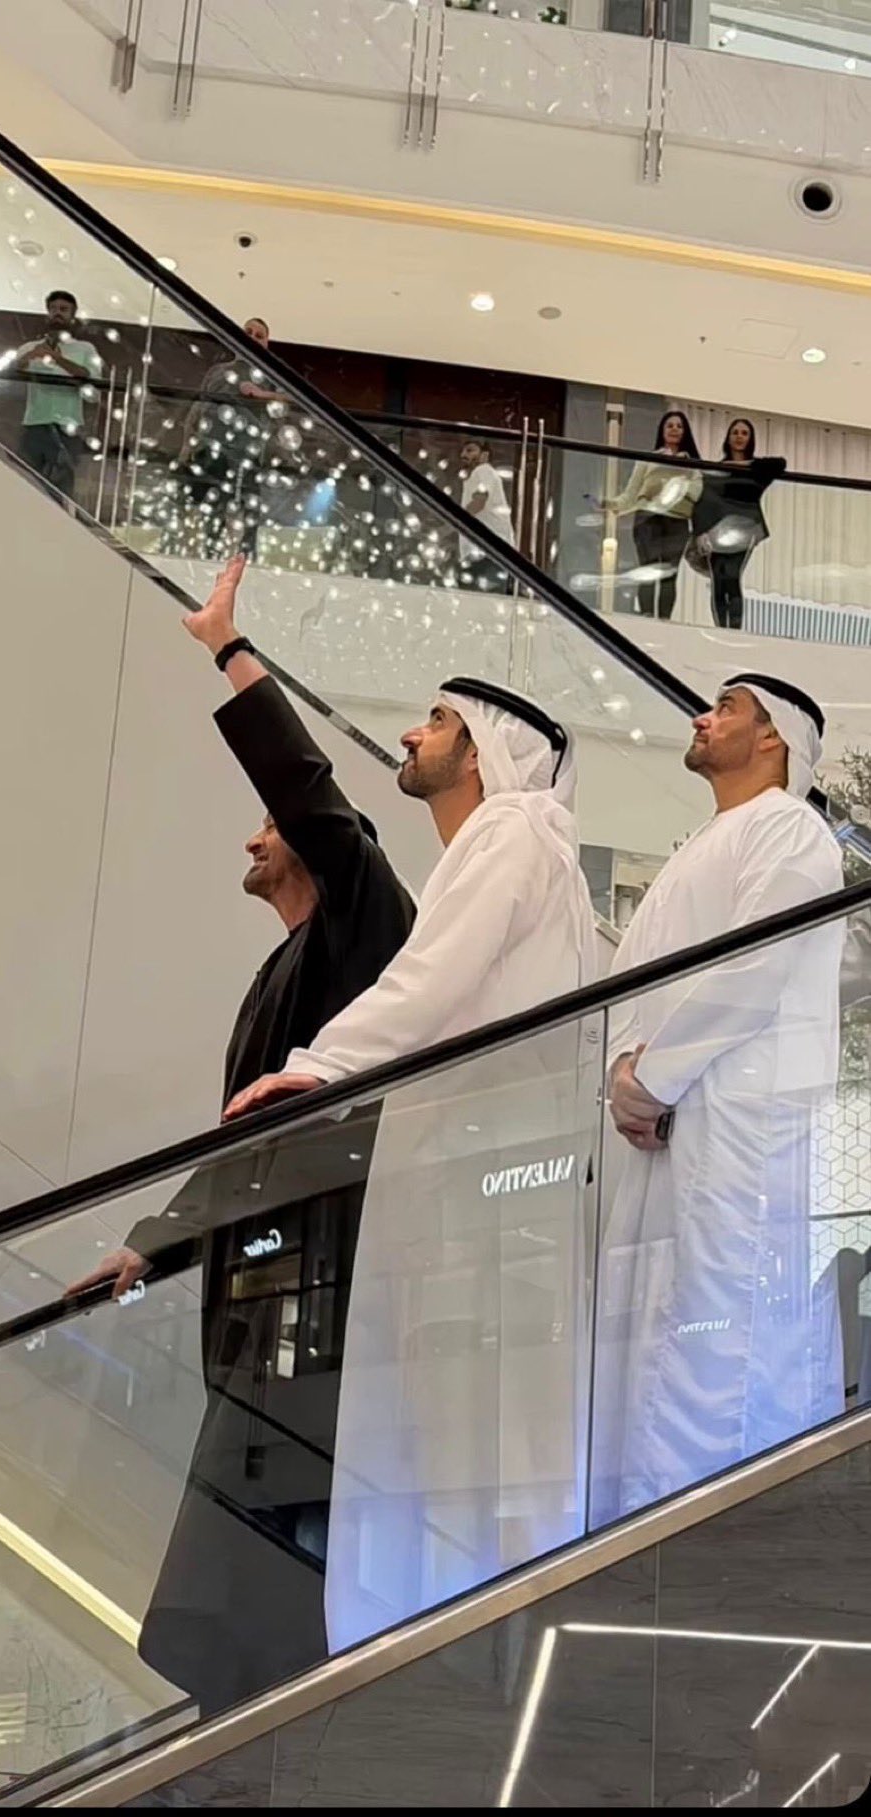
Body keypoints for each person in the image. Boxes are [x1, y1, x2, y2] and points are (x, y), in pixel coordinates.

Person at [66, 555, 414, 1716]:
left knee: (270, 1566)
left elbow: (314, 796)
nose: (251, 842)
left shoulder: (367, 926)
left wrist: (230, 652)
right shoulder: (280, 970)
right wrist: (150, 1243)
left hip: (323, 1309)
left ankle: (260, 1738)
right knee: (227, 1563)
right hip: (258, 1308)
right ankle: (230, 1735)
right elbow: (234, 1153)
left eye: (270, 826)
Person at [224, 678, 599, 1650]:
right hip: (468, 1204)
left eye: (437, 721)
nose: (411, 732)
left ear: (481, 751)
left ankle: (462, 1663)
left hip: (480, 1210)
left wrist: (321, 1064)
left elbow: (427, 983)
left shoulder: (514, 833)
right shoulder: (497, 854)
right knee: (453, 1456)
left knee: (463, 1456)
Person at [591, 672, 845, 1528]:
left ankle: (726, 1549)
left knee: (733, 1344)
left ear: (774, 738)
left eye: (726, 707)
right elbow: (629, 978)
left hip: (743, 1130)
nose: (703, 718)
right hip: (665, 1130)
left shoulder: (790, 830)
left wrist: (650, 1079)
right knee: (653, 1342)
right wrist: (624, 1072)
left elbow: (753, 970)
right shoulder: (697, 846)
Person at [181, 317, 286, 559]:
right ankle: (210, 553)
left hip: (247, 452)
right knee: (213, 504)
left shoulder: (271, 373)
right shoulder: (218, 371)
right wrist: (187, 444)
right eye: (247, 332)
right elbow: (198, 406)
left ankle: (246, 558)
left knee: (248, 505)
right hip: (211, 449)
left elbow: (292, 398)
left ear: (266, 343)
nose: (252, 338)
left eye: (259, 335)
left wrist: (261, 394)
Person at [688, 418, 786, 630]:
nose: (739, 436)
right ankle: (721, 627)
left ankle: (734, 629)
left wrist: (743, 464)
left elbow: (780, 463)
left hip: (745, 527)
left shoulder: (758, 469)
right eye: (735, 432)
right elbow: (703, 502)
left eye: (744, 433)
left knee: (732, 576)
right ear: (728, 438)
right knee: (718, 578)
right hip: (716, 528)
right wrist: (700, 532)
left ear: (750, 439)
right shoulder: (716, 470)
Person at [604, 410, 703, 619]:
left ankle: (665, 620)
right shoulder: (647, 459)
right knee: (647, 570)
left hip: (678, 520)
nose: (674, 429)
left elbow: (696, 493)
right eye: (670, 425)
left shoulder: (693, 464)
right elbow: (631, 495)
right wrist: (609, 504)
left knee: (669, 573)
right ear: (662, 431)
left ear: (685, 432)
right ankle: (647, 616)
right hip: (648, 518)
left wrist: (673, 475)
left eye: (679, 426)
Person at [15, 290, 101, 502]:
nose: (57, 313)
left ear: (73, 316)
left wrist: (57, 358)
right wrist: (30, 356)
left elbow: (93, 388)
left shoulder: (85, 349)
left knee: (61, 488)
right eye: (53, 309)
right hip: (34, 423)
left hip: (68, 427)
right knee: (24, 482)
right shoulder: (28, 348)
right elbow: (11, 372)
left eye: (63, 309)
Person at [458, 440, 514, 591]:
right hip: (487, 552)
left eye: (470, 450)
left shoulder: (483, 470)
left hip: (487, 552)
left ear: (485, 455)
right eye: (463, 451)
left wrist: (456, 519)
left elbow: (480, 500)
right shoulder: (477, 475)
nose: (463, 455)